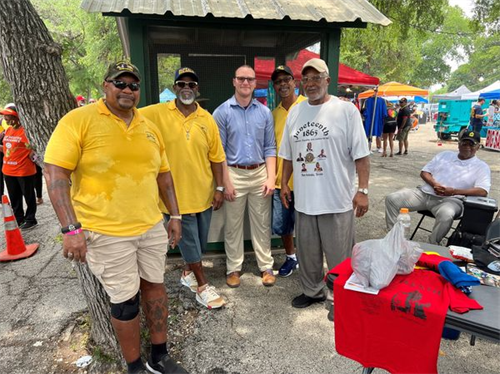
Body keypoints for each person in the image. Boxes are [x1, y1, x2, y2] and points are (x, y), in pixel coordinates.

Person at [44, 61, 188, 374]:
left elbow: (164, 175)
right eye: (119, 83)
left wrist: (174, 214)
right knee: (125, 302)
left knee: (155, 286)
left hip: (150, 226)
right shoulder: (79, 120)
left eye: (133, 85)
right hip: (106, 232)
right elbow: (56, 174)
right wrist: (70, 228)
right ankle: (134, 366)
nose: (127, 90)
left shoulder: (148, 126)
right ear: (105, 85)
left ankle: (159, 356)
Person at [279, 58, 370, 316]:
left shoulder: (346, 111)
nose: (310, 84)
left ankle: (340, 297)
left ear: (328, 80)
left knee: (339, 255)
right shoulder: (295, 112)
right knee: (307, 253)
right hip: (305, 199)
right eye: (306, 79)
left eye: (316, 78)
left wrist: (362, 191)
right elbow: (287, 153)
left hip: (337, 198)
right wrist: (284, 183)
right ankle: (313, 291)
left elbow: (361, 155)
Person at [140, 67, 226, 310]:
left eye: (191, 84)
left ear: (197, 89)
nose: (186, 87)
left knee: (199, 242)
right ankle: (202, 286)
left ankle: (187, 272)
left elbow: (217, 157)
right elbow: (128, 115)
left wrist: (219, 188)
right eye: (181, 83)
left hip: (204, 194)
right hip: (175, 197)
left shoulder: (206, 118)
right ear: (175, 88)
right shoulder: (156, 113)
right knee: (190, 243)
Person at [213, 65, 276, 288]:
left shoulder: (264, 112)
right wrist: (224, 183)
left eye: (250, 79)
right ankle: (233, 268)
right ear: (234, 81)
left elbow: (270, 147)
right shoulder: (222, 112)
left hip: (260, 172)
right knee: (233, 225)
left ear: (255, 82)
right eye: (241, 78)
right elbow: (218, 152)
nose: (245, 83)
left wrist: (271, 178)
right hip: (234, 173)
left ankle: (266, 266)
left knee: (262, 223)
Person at [385, 130, 491, 245]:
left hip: (452, 200)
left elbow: (483, 191)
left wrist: (454, 192)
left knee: (446, 214)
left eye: (472, 144)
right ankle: (394, 239)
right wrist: (434, 184)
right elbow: (424, 172)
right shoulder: (445, 155)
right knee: (392, 199)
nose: (467, 147)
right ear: (458, 144)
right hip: (425, 193)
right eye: (464, 143)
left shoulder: (481, 167)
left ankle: (432, 244)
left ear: (478, 147)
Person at [271, 65, 306, 277]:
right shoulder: (273, 114)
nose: (283, 84)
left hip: (305, 180)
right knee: (283, 225)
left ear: (295, 82)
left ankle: (309, 260)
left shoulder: (307, 106)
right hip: (280, 181)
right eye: (278, 81)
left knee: (307, 225)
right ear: (274, 86)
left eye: (287, 79)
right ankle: (291, 257)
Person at [0, 105, 38, 230]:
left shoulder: (27, 131)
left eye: (8, 116)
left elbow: (34, 150)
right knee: (14, 197)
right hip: (8, 170)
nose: (5, 118)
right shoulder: (8, 130)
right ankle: (19, 219)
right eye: (5, 116)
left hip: (24, 171)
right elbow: (7, 149)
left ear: (17, 117)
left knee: (28, 196)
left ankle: (31, 219)